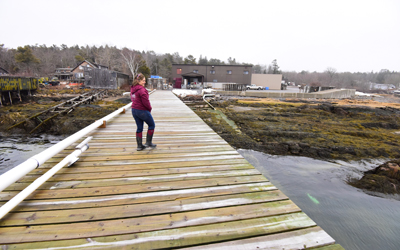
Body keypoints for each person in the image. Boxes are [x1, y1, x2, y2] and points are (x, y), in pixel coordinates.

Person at [130, 73, 156, 151]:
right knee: (152, 125)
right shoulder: (142, 90)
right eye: (143, 81)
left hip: (134, 110)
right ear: (138, 80)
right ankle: (148, 142)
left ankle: (139, 146)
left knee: (139, 128)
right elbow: (146, 102)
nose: (144, 82)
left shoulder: (133, 89)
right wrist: (150, 109)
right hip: (142, 111)